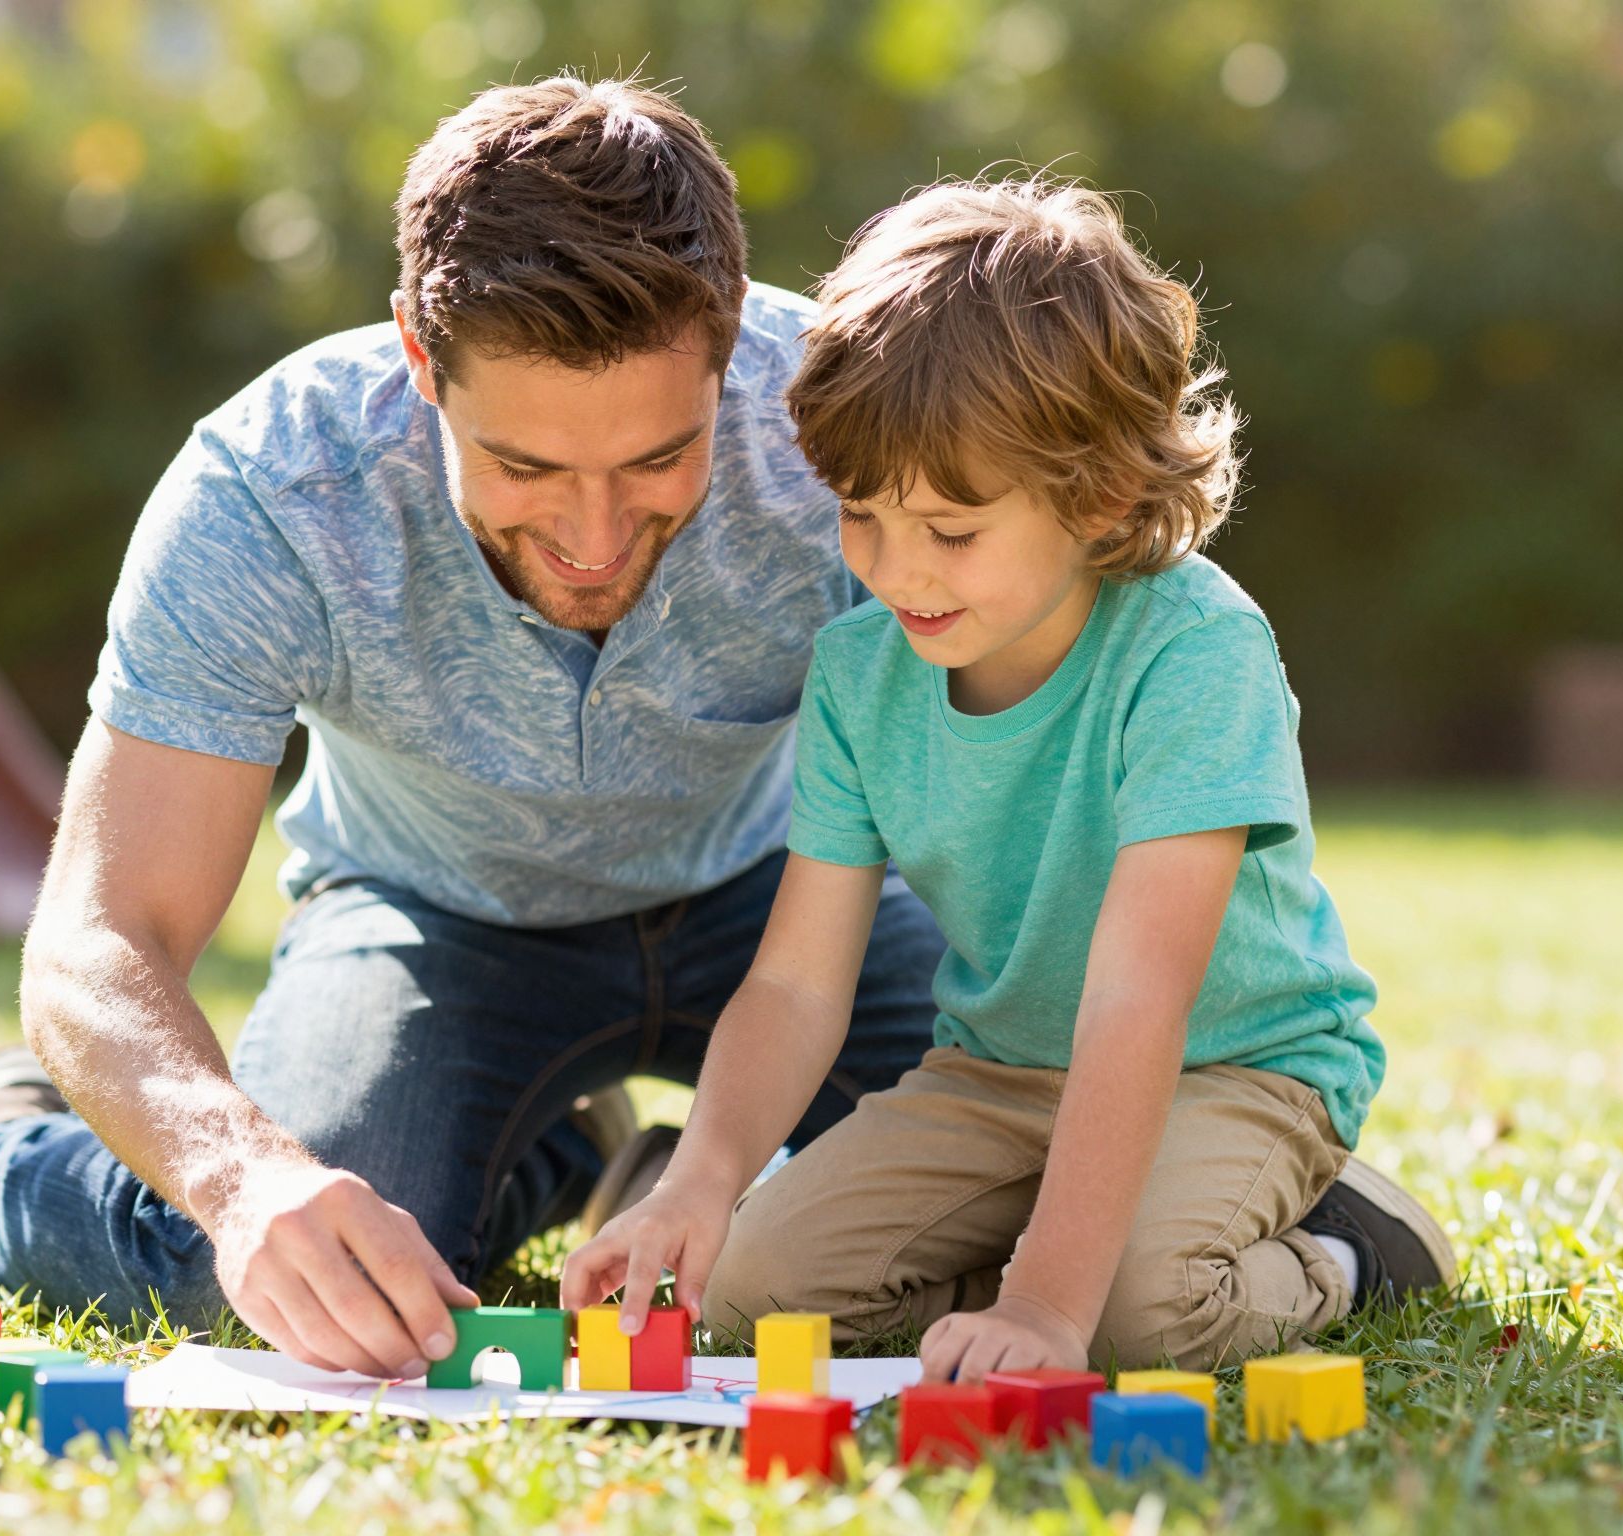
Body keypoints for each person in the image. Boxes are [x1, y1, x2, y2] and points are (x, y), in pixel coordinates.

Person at [0, 76, 949, 1383]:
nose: (595, 535)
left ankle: (612, 1158)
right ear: (417, 359)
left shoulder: (845, 432)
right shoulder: (270, 491)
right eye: (528, 469)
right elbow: (102, 937)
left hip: (788, 907)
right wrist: (243, 1180)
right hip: (432, 921)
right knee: (276, 1292)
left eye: (654, 462)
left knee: (990, 1205)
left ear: (731, 350)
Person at [561, 175, 1454, 1378]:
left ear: (1094, 496)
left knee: (1136, 1322)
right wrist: (707, 1177)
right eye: (860, 514)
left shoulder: (1193, 653)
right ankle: (1055, 1255)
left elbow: (1138, 999)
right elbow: (794, 984)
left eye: (950, 530)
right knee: (755, 1291)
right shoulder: (857, 674)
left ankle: (1353, 1246)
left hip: (1228, 1071)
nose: (893, 569)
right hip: (999, 1073)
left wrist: (1042, 1305)